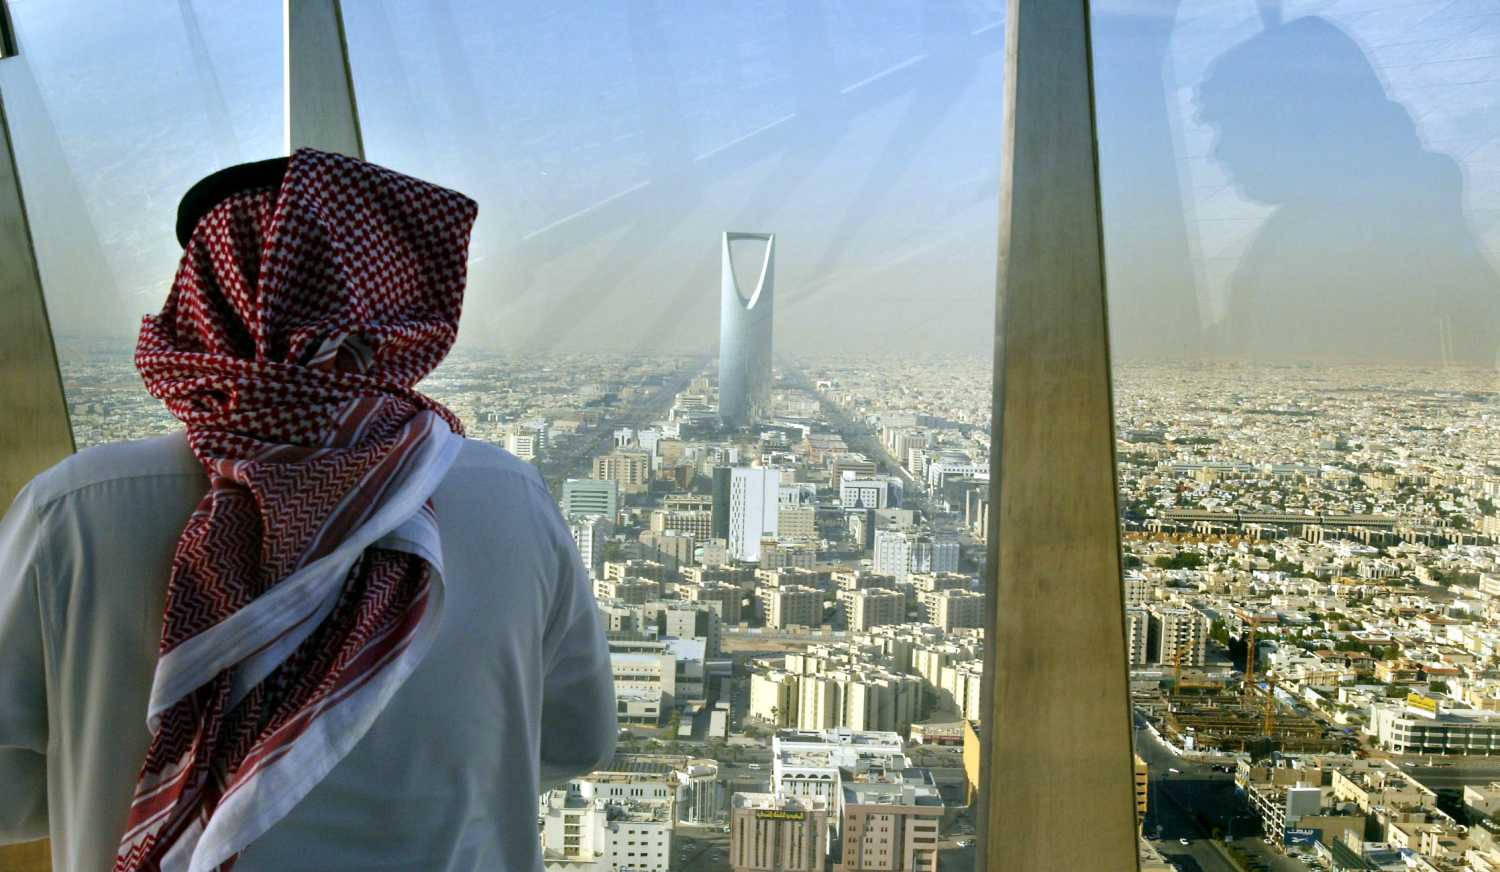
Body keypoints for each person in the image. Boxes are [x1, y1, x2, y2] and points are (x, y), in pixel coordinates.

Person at [0, 149, 617, 871]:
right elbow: (578, 738)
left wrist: (113, 781)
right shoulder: (508, 496)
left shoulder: (76, 510)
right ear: (393, 305)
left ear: (205, 295)